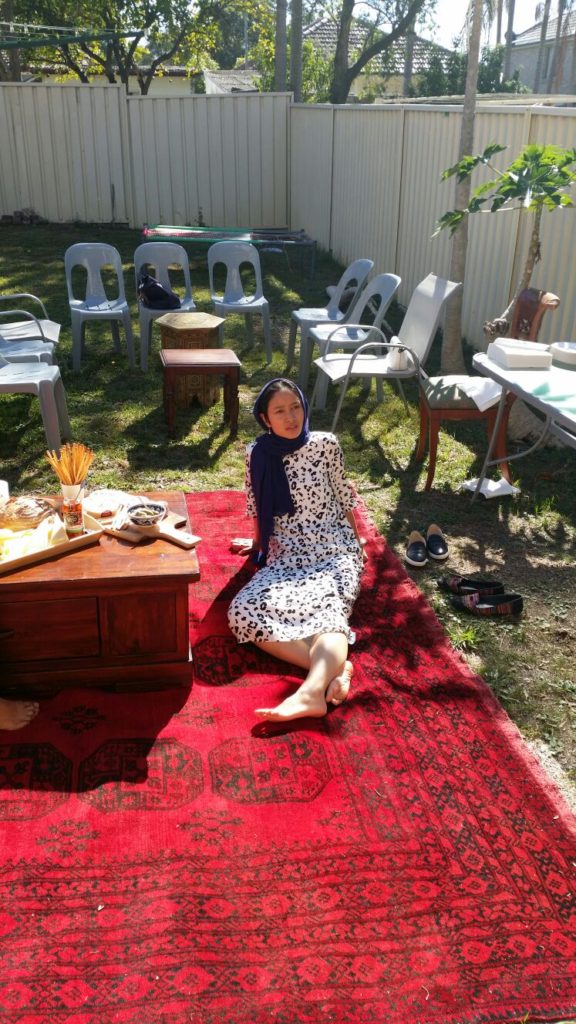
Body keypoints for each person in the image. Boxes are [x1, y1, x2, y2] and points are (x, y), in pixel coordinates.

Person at [228, 378, 366, 722]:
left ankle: (309, 693)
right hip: (286, 556)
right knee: (241, 612)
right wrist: (257, 543)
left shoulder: (325, 444)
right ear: (265, 418)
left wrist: (356, 543)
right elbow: (256, 504)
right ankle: (336, 670)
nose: (291, 417)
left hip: (332, 550)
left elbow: (344, 497)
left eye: (296, 408)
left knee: (328, 617)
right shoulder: (257, 453)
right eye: (280, 411)